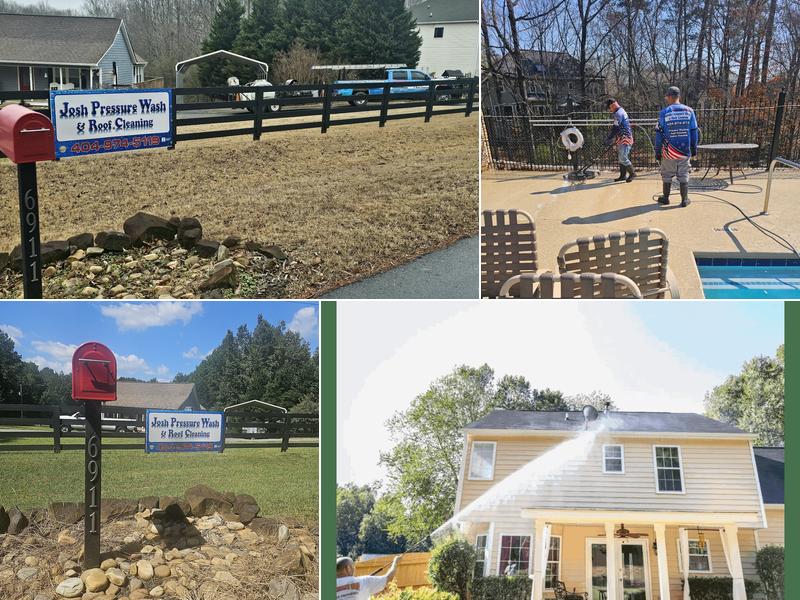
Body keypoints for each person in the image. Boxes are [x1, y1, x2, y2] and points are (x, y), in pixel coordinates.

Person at [655, 86, 699, 207]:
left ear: (669, 97)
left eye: (666, 97)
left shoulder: (664, 112)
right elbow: (694, 131)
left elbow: (659, 134)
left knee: (667, 174)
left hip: (669, 151)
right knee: (684, 174)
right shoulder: (690, 111)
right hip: (684, 151)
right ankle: (684, 200)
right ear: (678, 96)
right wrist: (694, 148)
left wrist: (657, 151)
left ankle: (665, 198)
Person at [336, 555, 400, 599]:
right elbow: (388, 578)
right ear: (348, 568)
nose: (354, 569)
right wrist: (395, 562)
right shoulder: (364, 581)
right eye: (353, 566)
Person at [605, 98, 635, 182]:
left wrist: (609, 138)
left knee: (623, 157)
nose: (610, 110)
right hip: (621, 138)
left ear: (612, 105)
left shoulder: (618, 113)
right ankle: (622, 176)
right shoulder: (621, 111)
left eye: (610, 108)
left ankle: (632, 173)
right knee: (621, 158)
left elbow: (615, 128)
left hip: (625, 139)